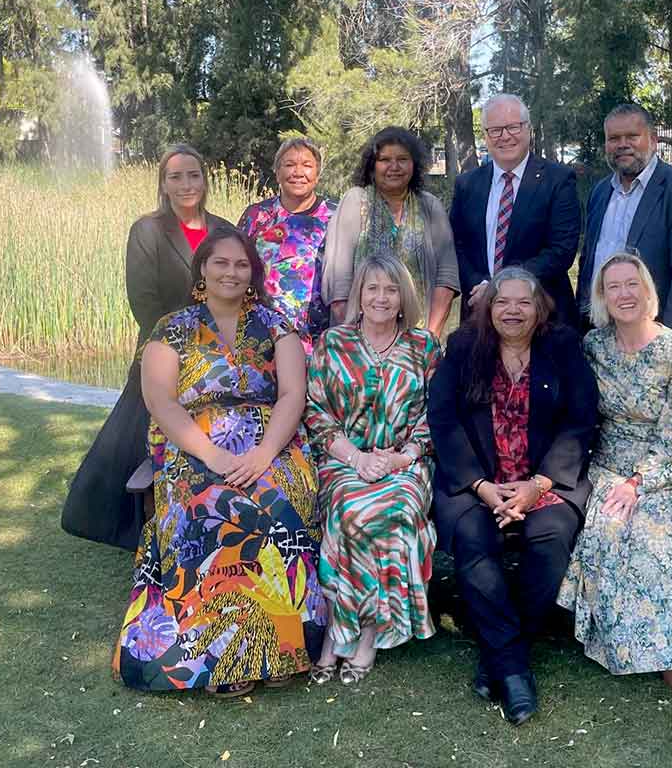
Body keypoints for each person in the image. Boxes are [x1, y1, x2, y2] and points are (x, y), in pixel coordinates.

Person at [112, 227, 326, 696]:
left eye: (241, 264)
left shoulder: (277, 326)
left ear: (254, 274)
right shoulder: (171, 328)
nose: (231, 272)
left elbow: (293, 394)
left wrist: (264, 452)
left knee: (278, 499)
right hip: (194, 445)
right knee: (204, 505)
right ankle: (215, 654)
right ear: (203, 270)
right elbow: (161, 401)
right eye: (221, 263)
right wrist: (212, 455)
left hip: (272, 443)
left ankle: (282, 644)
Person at [426, 267, 599, 725]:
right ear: (489, 306)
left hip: (543, 482)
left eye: (524, 302)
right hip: (477, 483)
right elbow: (442, 419)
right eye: (503, 301)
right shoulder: (465, 346)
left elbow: (581, 421)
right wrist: (482, 487)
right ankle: (515, 668)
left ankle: (499, 657)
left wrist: (538, 485)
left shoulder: (562, 347)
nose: (512, 310)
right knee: (472, 539)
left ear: (539, 307)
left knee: (551, 538)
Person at [557, 252, 672, 694]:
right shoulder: (594, 347)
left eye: (631, 284)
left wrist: (641, 482)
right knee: (616, 530)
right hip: (608, 465)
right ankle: (625, 645)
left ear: (647, 290)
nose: (623, 294)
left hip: (663, 467)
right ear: (602, 297)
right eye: (612, 287)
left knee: (663, 536)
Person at [61, 145, 234, 549]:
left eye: (193, 175)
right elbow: (144, 301)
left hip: (217, 354)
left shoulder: (224, 230)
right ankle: (120, 524)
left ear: (205, 180)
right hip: (162, 350)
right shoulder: (148, 230)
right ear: (163, 184)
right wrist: (181, 347)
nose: (186, 184)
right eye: (176, 177)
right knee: (135, 440)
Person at [304, 256, 442, 685]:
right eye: (372, 289)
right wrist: (357, 459)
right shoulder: (332, 343)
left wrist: (399, 458)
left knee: (394, 505)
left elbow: (435, 417)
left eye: (391, 289)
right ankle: (337, 632)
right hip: (345, 459)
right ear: (359, 297)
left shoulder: (425, 347)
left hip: (408, 462)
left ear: (403, 298)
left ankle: (364, 634)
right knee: (349, 508)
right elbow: (316, 412)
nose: (381, 297)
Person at [575, 104, 672, 352]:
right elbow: (588, 263)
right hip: (598, 338)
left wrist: (663, 347)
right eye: (614, 138)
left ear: (652, 139)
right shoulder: (600, 192)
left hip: (656, 338)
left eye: (632, 136)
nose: (622, 144)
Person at [449, 94, 582, 327]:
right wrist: (480, 287)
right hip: (479, 315)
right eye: (496, 130)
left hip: (541, 317)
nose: (505, 136)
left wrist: (499, 288)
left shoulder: (558, 180)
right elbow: (456, 246)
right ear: (486, 136)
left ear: (528, 129)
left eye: (513, 127)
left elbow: (561, 251)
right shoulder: (467, 184)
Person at [320, 126, 460, 339]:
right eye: (385, 160)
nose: (394, 167)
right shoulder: (355, 201)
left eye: (403, 159)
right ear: (372, 166)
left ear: (414, 164)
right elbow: (339, 284)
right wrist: (359, 343)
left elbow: (446, 280)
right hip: (359, 342)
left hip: (418, 339)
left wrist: (428, 340)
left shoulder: (430, 207)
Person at [237, 137, 339, 349]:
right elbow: (236, 266)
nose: (298, 172)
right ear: (277, 172)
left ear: (318, 174)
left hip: (320, 340)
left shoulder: (337, 216)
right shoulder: (257, 215)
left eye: (307, 166)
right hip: (260, 336)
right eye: (290, 165)